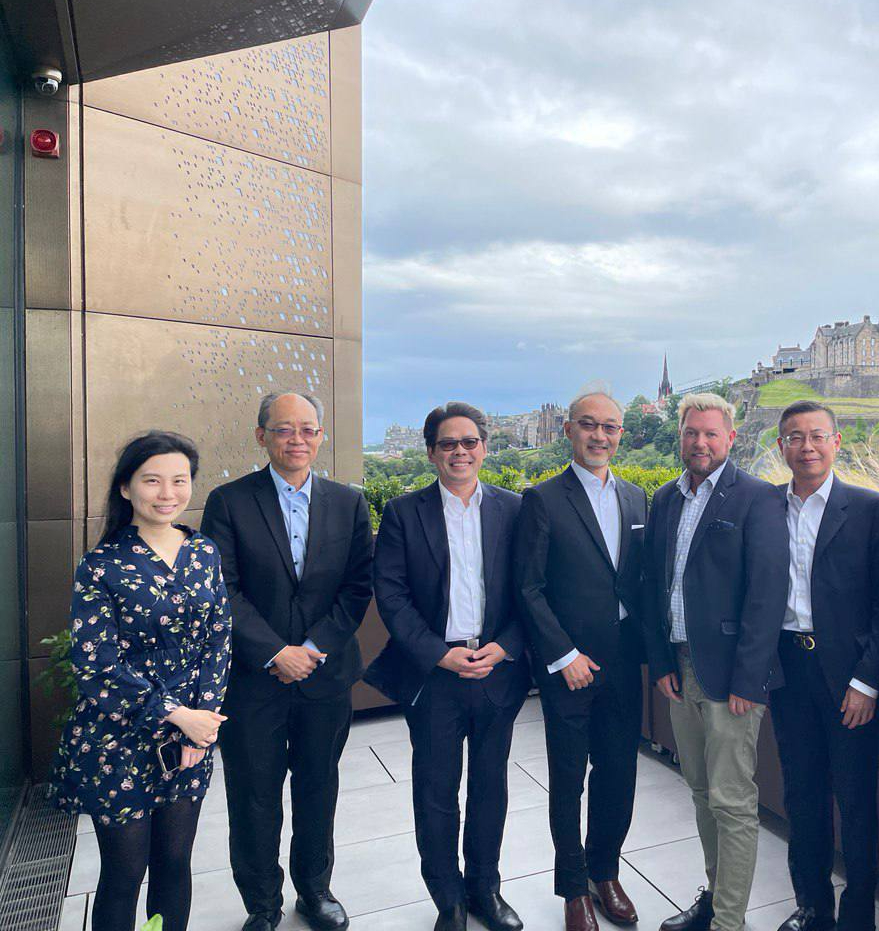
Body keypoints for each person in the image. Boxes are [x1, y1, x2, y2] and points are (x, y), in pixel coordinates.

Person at [202, 393, 374, 931]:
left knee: (318, 787)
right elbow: (221, 589)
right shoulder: (228, 502)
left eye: (307, 430)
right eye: (283, 430)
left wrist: (312, 650)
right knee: (253, 794)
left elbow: (356, 587)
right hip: (254, 679)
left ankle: (314, 891)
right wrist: (276, 652)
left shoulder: (348, 502)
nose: (296, 440)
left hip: (326, 676)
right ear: (261, 437)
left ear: (321, 436)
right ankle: (262, 904)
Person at [49, 431, 230, 931]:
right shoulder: (101, 564)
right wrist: (181, 717)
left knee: (175, 866)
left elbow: (218, 642)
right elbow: (96, 663)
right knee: (125, 873)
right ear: (127, 488)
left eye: (179, 480)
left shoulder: (204, 553)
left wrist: (205, 725)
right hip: (119, 739)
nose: (167, 493)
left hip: (190, 739)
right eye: (152, 480)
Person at [363, 402, 530, 931]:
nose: (460, 451)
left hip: (497, 669)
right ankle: (448, 899)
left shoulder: (515, 509)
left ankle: (486, 889)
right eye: (448, 444)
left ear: (484, 446)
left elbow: (533, 591)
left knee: (490, 787)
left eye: (469, 442)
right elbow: (390, 595)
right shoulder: (403, 512)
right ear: (432, 452)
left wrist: (504, 647)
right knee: (435, 791)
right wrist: (438, 652)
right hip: (434, 673)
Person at [642, 392, 789, 931]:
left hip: (732, 679)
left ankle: (730, 922)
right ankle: (714, 900)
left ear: (730, 437)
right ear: (679, 437)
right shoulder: (666, 499)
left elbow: (767, 595)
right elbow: (652, 587)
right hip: (679, 671)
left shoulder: (757, 498)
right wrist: (659, 662)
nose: (699, 443)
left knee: (731, 800)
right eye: (690, 433)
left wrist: (749, 679)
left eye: (710, 433)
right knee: (701, 792)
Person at [514, 390, 649, 931]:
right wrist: (562, 654)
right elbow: (528, 588)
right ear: (568, 430)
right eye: (589, 425)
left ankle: (605, 873)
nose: (600, 436)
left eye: (610, 427)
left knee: (619, 773)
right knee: (569, 777)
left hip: (623, 661)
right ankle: (573, 888)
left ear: (621, 434)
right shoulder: (543, 499)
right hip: (569, 665)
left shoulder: (639, 498)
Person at [770, 401, 879, 931]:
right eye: (795, 438)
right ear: (781, 447)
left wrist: (867, 681)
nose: (807, 447)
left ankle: (859, 916)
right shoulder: (765, 506)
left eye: (817, 436)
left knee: (856, 799)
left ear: (836, 442)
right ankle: (813, 905)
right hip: (786, 672)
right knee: (802, 794)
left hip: (850, 676)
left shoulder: (871, 508)